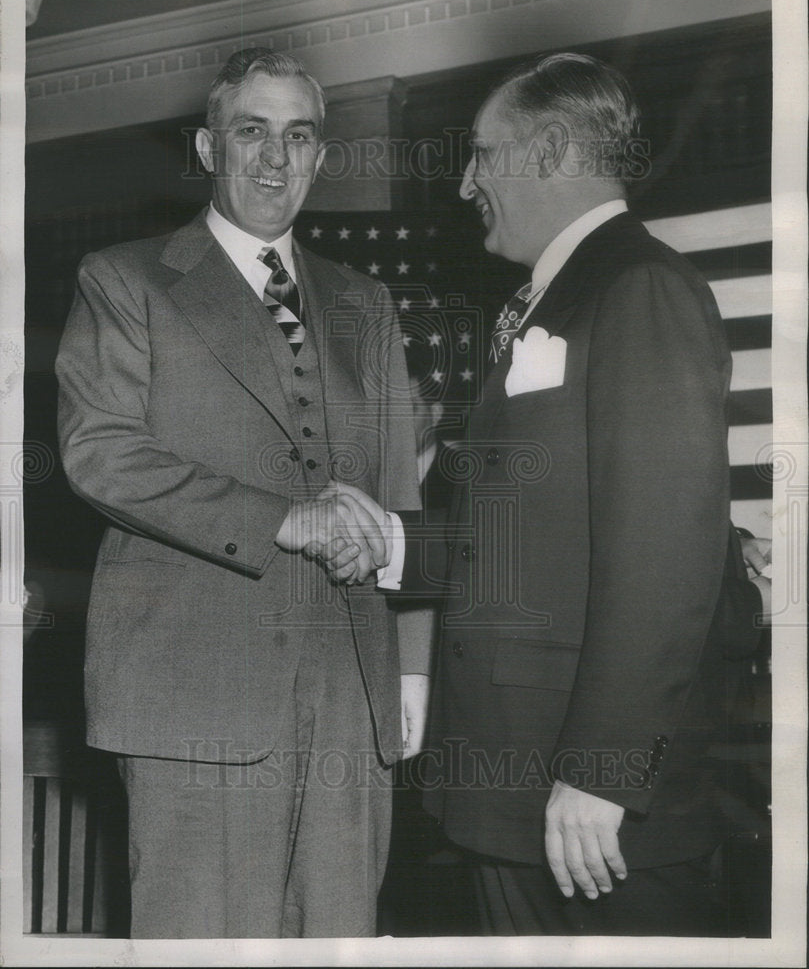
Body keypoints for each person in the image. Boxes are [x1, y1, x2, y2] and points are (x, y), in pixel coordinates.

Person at [318, 52, 764, 935]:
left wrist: (600, 769)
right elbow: (531, 533)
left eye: (482, 153)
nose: (465, 184)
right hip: (519, 790)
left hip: (587, 806)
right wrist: (390, 541)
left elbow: (666, 556)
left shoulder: (637, 287)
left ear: (552, 149)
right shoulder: (549, 299)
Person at [55, 48, 430, 939]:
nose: (274, 158)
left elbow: (398, 490)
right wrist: (284, 520)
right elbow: (100, 452)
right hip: (194, 697)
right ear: (207, 147)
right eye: (251, 132)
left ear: (320, 155)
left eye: (298, 136)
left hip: (351, 703)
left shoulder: (363, 302)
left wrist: (411, 673)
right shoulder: (125, 279)